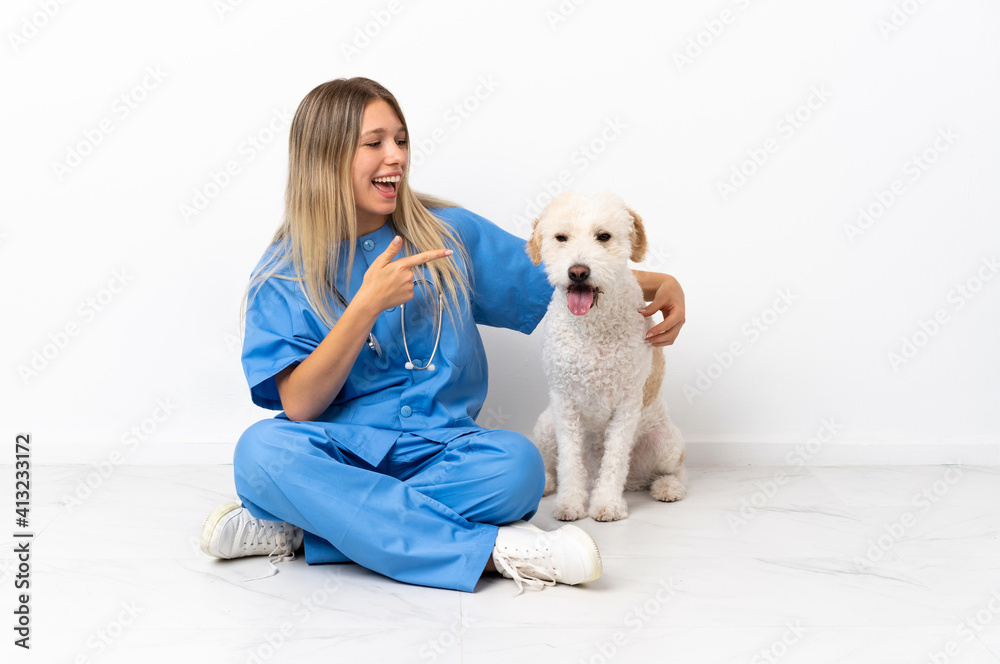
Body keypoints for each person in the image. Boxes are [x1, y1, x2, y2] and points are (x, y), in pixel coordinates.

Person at [199, 77, 686, 594]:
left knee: (517, 468)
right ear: (325, 157)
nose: (397, 157)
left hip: (445, 452)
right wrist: (365, 306)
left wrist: (664, 282)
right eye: (375, 143)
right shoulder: (283, 272)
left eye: (402, 140)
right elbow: (298, 406)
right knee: (261, 453)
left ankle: (303, 525)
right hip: (335, 451)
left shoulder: (449, 233)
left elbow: (563, 273)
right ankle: (494, 552)